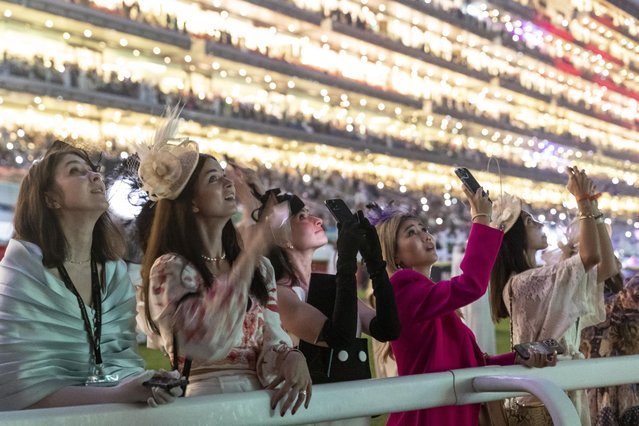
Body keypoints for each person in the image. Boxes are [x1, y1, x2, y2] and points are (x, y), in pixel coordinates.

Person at [136, 108, 311, 417]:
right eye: (214, 179)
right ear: (190, 201)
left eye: (225, 177)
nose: (229, 185)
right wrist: (255, 245)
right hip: (205, 404)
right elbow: (206, 339)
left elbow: (271, 334)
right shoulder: (169, 269)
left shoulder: (260, 269)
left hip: (261, 405)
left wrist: (291, 357)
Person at [0, 140, 179, 410]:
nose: (96, 175)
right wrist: (117, 395)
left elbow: (124, 364)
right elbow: (17, 390)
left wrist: (148, 385)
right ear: (50, 198)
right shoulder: (22, 270)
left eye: (93, 170)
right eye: (76, 171)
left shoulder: (114, 273)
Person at [371, 186, 554, 426]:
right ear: (395, 256)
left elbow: (471, 365)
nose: (426, 235)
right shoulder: (401, 287)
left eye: (424, 229)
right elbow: (471, 285)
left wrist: (518, 359)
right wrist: (480, 219)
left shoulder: (428, 297)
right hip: (428, 418)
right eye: (411, 233)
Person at [489, 167, 618, 425]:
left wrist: (593, 208)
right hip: (540, 400)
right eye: (530, 222)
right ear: (516, 239)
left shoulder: (540, 276)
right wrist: (582, 201)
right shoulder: (524, 282)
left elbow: (607, 267)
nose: (539, 224)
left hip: (558, 387)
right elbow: (592, 257)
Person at [252, 189, 400, 393]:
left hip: (353, 405)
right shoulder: (281, 293)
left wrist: (375, 263)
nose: (318, 220)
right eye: (303, 216)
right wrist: (346, 258)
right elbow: (339, 338)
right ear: (282, 236)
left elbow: (387, 329)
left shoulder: (327, 285)